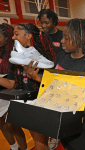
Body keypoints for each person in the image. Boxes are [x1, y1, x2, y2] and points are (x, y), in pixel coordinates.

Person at [26, 18, 85, 150]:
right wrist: (36, 76)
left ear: (79, 38)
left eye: (66, 38)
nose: (61, 41)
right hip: (63, 121)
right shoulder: (62, 56)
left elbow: (84, 106)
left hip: (80, 128)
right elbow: (53, 82)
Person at [0, 22, 55, 150]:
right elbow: (11, 83)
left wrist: (36, 77)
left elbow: (54, 83)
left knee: (40, 144)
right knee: (37, 141)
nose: (13, 38)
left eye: (16, 34)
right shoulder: (15, 58)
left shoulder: (44, 55)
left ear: (28, 36)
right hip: (25, 103)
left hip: (41, 104)